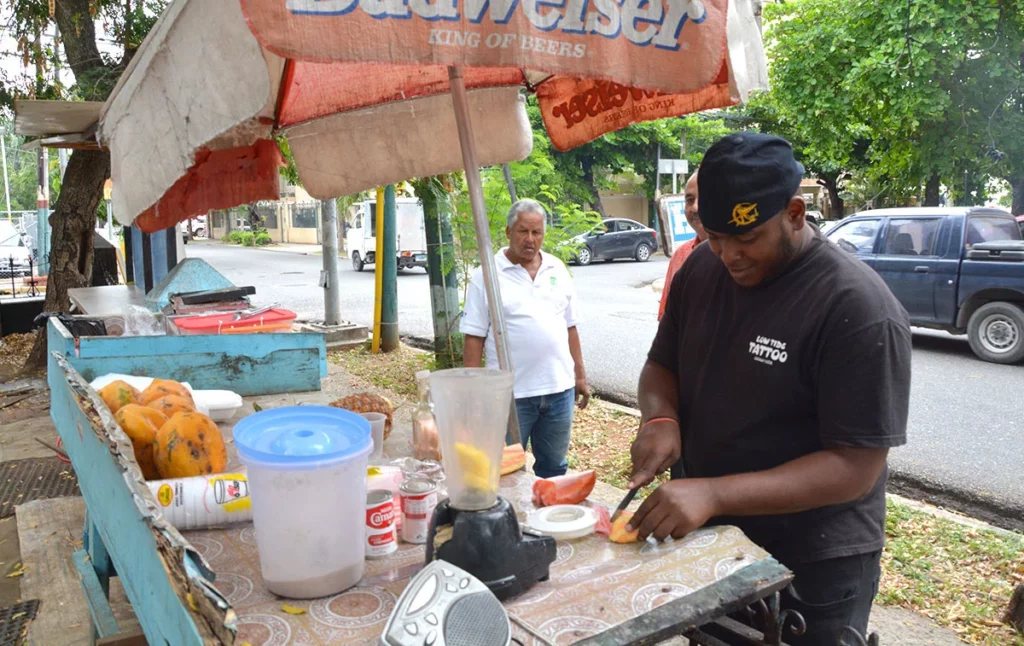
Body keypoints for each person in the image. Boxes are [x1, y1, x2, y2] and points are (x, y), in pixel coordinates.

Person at [627, 133, 911, 644]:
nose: (728, 255)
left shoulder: (858, 308)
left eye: (747, 238)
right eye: (714, 236)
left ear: (796, 213)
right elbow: (659, 366)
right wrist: (661, 417)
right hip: (712, 536)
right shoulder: (700, 268)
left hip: (812, 560)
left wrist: (712, 492)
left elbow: (854, 468)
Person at [461, 199, 591, 478]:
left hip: (559, 392)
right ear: (508, 231)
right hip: (510, 397)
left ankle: (547, 520)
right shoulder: (486, 275)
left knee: (554, 468)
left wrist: (579, 376)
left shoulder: (556, 269)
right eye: (523, 231)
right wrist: (472, 394)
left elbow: (570, 326)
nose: (530, 239)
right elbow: (474, 338)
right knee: (505, 470)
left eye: (537, 232)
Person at [658, 170, 706, 320]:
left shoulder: (743, 256)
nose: (695, 208)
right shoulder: (681, 255)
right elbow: (667, 321)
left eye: (705, 198)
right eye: (690, 200)